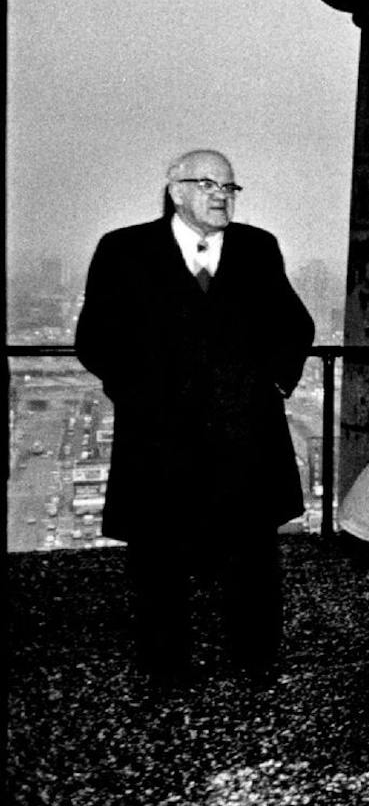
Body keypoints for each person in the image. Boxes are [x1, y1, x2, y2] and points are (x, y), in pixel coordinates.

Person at [75, 149, 315, 688]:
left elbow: (294, 325)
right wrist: (138, 397)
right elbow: (96, 338)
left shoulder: (258, 248)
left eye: (229, 187)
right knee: (159, 557)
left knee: (251, 555)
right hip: (161, 440)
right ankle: (166, 667)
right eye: (206, 184)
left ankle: (256, 663)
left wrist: (274, 384)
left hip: (244, 436)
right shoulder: (124, 250)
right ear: (175, 190)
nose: (220, 195)